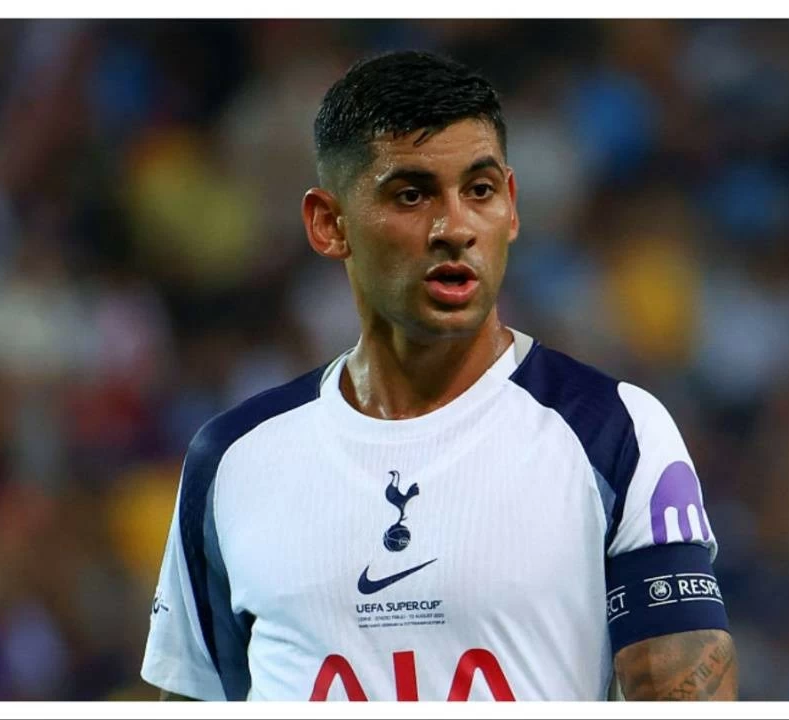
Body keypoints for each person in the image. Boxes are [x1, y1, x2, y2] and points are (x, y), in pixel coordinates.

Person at [140, 49, 737, 701]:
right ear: (328, 223)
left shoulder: (616, 431)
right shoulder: (231, 461)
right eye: (412, 194)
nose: (454, 227)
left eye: (478, 191)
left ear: (510, 207)